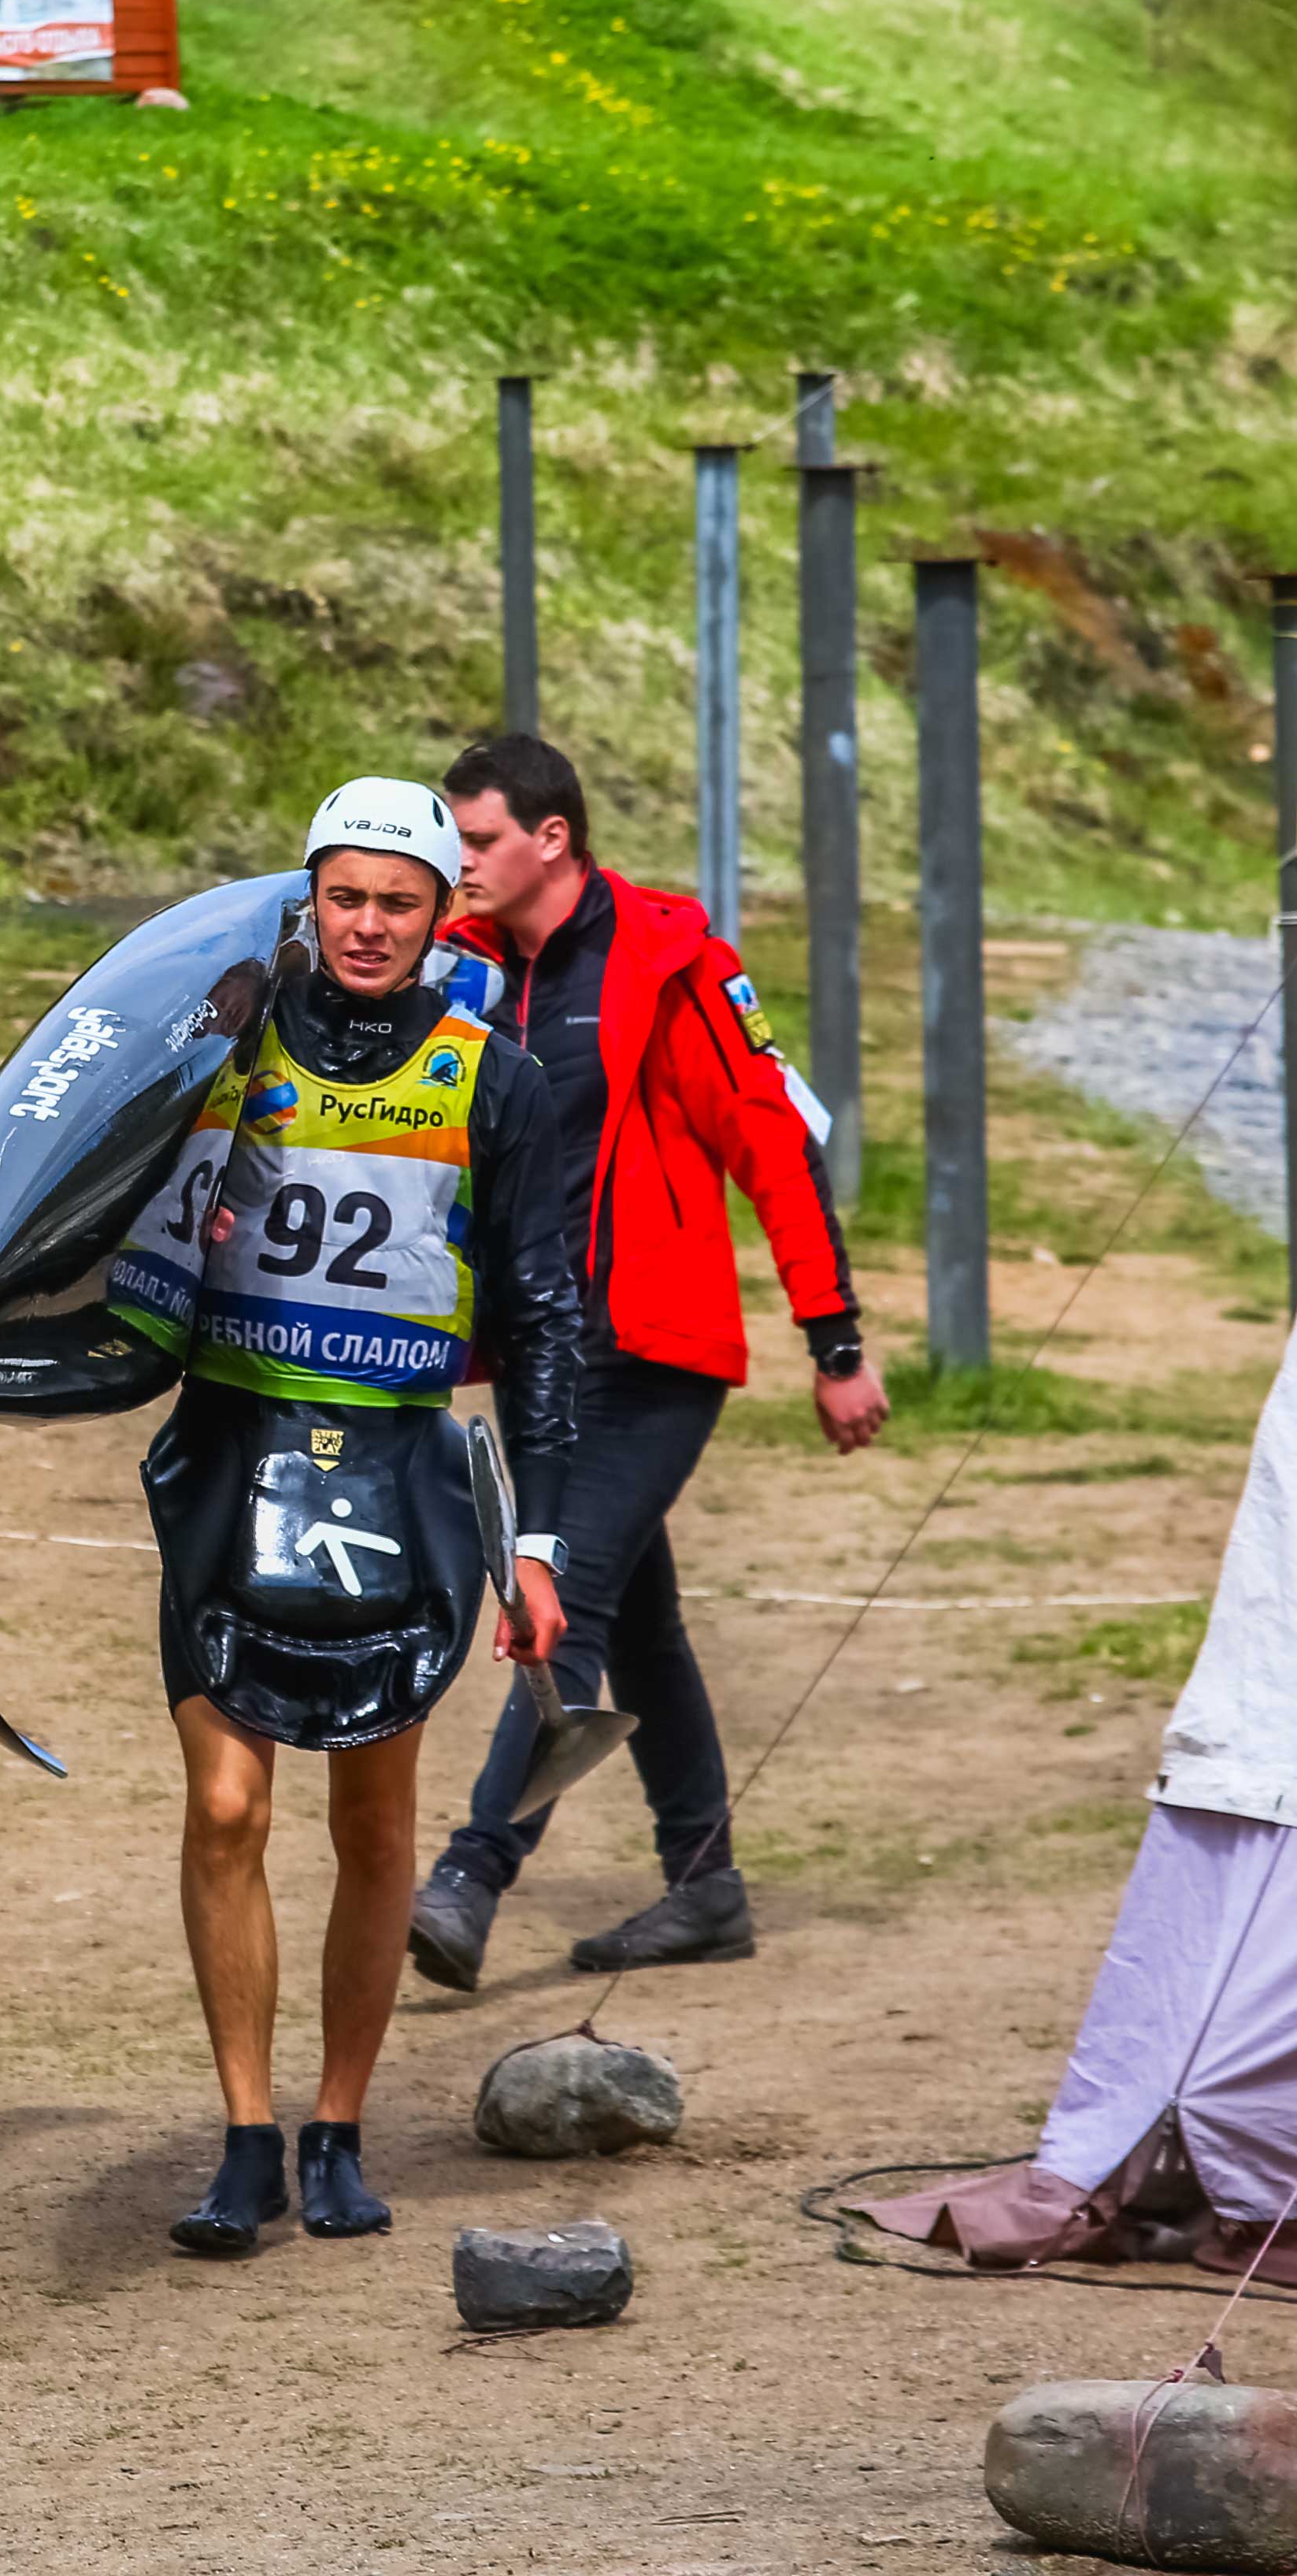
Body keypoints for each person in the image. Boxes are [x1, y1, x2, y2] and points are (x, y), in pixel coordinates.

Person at [113, 777, 584, 2255]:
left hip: (396, 1471)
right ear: (307, 899)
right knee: (226, 1805)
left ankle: (338, 2126)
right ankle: (246, 2137)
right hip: (228, 1455)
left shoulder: (498, 1082)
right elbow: (94, 1214)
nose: (368, 926)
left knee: (375, 1821)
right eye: (345, 898)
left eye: (398, 903)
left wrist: (538, 1543)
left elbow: (545, 1319)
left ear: (444, 916)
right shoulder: (226, 1044)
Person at [410, 733, 888, 1990]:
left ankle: (470, 1875)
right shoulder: (458, 971)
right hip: (537, 1359)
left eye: (478, 841)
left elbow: (775, 1146)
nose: (460, 864)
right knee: (642, 1622)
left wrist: (834, 1340)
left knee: (559, 1599)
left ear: (551, 839)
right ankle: (706, 1885)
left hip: (657, 1353)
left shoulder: (675, 964)